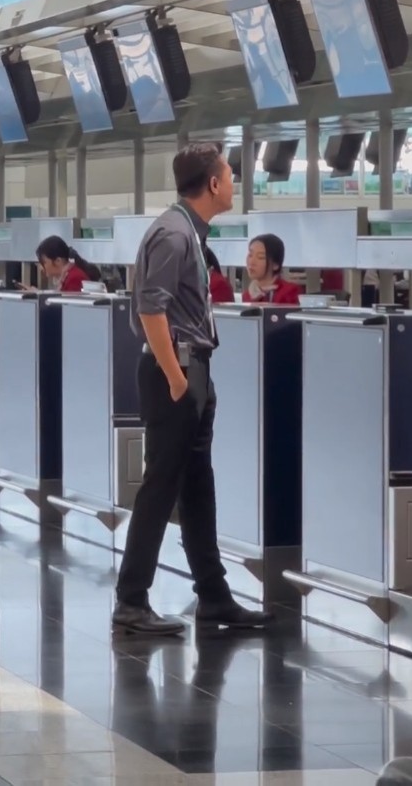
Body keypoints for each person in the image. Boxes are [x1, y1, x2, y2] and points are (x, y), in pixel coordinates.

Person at [114, 143, 272, 635]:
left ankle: (214, 596)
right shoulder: (174, 233)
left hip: (192, 368)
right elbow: (150, 308)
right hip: (175, 372)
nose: (233, 182)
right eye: (229, 174)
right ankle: (131, 601)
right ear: (213, 184)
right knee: (161, 485)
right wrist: (178, 379)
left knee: (197, 487)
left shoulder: (188, 231)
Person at [243, 233, 300, 305]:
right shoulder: (247, 295)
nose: (252, 262)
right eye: (250, 255)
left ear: (276, 265)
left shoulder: (289, 291)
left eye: (260, 257)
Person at [35, 235, 101, 292]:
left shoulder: (74, 279)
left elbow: (65, 303)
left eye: (44, 262)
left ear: (58, 261)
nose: (41, 267)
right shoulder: (66, 276)